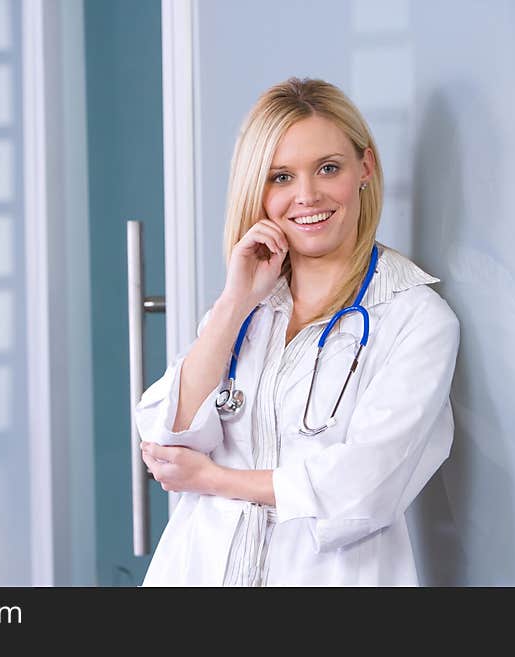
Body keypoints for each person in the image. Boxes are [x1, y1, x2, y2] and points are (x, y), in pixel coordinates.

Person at [135, 77, 461, 586]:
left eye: (327, 168)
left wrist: (214, 480)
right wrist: (233, 302)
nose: (306, 196)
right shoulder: (247, 309)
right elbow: (166, 437)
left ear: (365, 169)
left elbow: (365, 491)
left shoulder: (416, 321)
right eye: (280, 176)